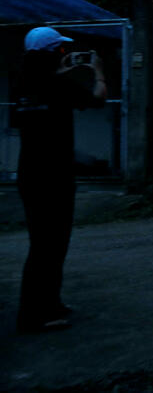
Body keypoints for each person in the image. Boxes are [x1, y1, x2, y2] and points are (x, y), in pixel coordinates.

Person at [10, 27, 107, 333]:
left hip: (30, 174)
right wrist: (98, 72)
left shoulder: (22, 85)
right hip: (56, 176)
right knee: (52, 245)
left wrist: (61, 72)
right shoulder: (60, 85)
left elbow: (22, 118)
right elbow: (98, 99)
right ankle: (32, 316)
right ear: (54, 53)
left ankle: (49, 304)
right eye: (62, 51)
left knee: (43, 243)